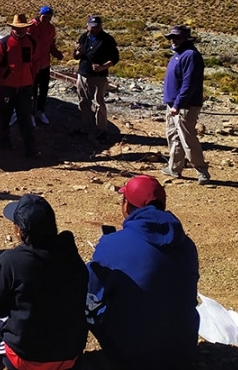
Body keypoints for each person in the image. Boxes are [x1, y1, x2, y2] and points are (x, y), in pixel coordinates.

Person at [86, 175, 199, 369]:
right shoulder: (187, 245)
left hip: (133, 356)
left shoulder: (113, 244)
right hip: (182, 351)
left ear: (126, 206)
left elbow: (92, 293)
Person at [0, 194, 88, 370]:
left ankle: (2, 351)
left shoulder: (11, 261)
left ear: (19, 231)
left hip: (25, 358)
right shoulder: (70, 254)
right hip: (69, 356)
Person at [161, 25, 210, 184]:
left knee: (187, 139)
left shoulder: (190, 56)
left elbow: (189, 84)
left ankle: (201, 171)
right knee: (174, 137)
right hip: (174, 105)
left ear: (186, 39)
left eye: (176, 37)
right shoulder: (178, 54)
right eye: (171, 38)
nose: (173, 40)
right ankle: (174, 168)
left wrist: (177, 104)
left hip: (184, 107)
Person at [0, 14, 39, 158]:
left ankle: (30, 147)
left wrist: (33, 79)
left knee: (25, 117)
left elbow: (33, 62)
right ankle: (4, 142)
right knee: (5, 116)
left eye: (23, 28)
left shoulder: (31, 42)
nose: (20, 31)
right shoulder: (3, 43)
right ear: (13, 28)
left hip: (26, 86)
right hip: (7, 86)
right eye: (18, 28)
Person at [73, 15, 119, 143]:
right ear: (87, 26)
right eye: (91, 27)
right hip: (83, 73)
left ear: (100, 26)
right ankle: (86, 127)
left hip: (99, 76)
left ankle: (101, 129)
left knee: (99, 102)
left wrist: (103, 66)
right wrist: (78, 52)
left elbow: (114, 58)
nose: (93, 29)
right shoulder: (84, 37)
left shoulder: (107, 40)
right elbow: (76, 56)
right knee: (83, 101)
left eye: (96, 27)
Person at [27, 6, 63, 125]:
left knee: (43, 90)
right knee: (32, 91)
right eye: (44, 17)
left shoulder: (51, 29)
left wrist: (57, 54)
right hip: (33, 65)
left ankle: (41, 111)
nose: (46, 19)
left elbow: (51, 45)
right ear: (39, 15)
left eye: (49, 17)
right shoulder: (30, 27)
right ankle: (30, 114)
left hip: (45, 64)